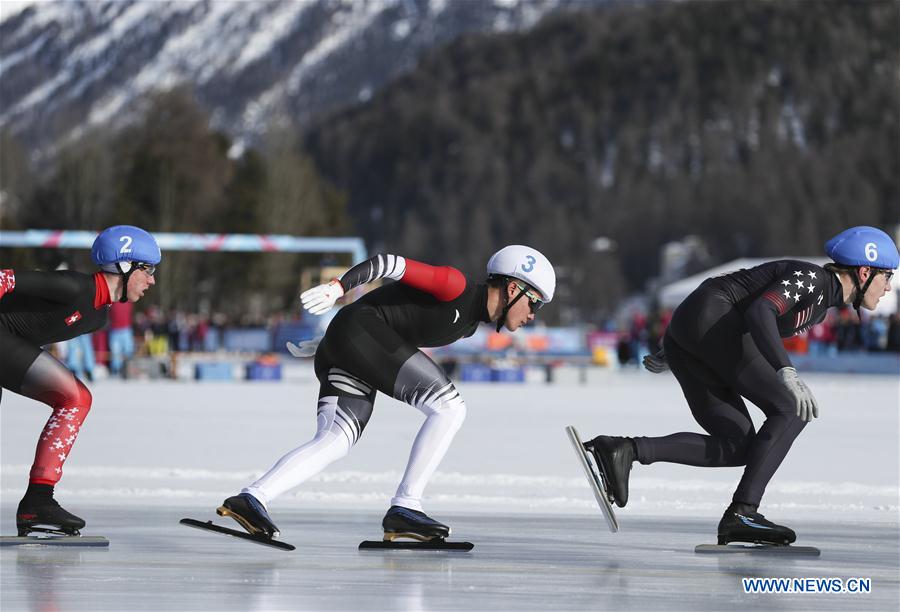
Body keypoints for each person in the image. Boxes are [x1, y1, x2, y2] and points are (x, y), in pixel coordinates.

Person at [584, 226, 898, 546]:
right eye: (887, 277)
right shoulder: (814, 280)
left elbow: (754, 316)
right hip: (710, 319)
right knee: (792, 409)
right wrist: (785, 370)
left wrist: (685, 347)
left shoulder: (821, 302)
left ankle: (623, 450)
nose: (888, 288)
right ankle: (743, 512)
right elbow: (762, 310)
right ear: (864, 272)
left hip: (696, 328)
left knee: (739, 445)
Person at [217, 246, 555, 542]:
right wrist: (338, 287)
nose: (532, 316)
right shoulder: (457, 286)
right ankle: (406, 506)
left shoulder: (469, 323)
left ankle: (251, 499)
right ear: (513, 287)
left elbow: (396, 315)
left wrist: (333, 340)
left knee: (335, 439)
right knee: (449, 408)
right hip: (357, 333)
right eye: (534, 304)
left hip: (349, 341)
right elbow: (389, 263)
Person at [0, 225, 160, 536]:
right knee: (75, 398)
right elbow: (4, 278)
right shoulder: (74, 287)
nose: (152, 280)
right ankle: (39, 499)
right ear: (124, 266)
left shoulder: (99, 314)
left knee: (74, 398)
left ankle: (38, 500)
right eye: (148, 269)